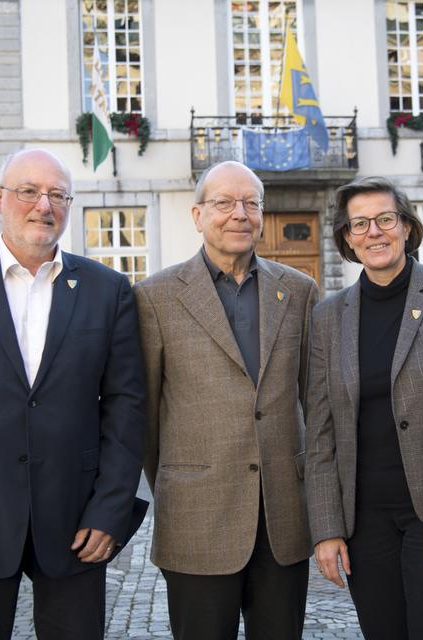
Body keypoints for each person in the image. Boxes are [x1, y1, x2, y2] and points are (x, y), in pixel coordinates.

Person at [134, 160, 318, 640]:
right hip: (197, 516)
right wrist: (181, 480)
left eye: (250, 203)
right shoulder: (154, 298)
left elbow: (313, 402)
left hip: (282, 519)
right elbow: (147, 417)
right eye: (224, 203)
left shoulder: (298, 291)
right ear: (197, 216)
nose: (239, 214)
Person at [305, 176, 423, 639]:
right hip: (364, 524)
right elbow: (320, 433)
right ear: (347, 238)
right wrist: (327, 529)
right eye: (361, 224)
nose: (375, 232)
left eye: (385, 219)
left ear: (407, 227)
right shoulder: (329, 317)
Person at [0, 148, 146, 640]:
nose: (44, 206)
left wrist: (110, 510)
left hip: (77, 521)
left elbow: (126, 406)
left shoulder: (107, 289)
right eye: (29, 191)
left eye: (57, 194)